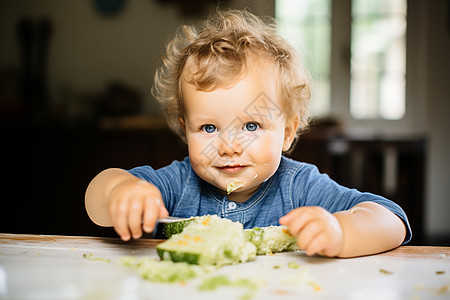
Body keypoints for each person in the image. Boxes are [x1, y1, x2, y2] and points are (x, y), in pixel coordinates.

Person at [85, 9, 411, 258]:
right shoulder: (177, 186)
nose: (228, 146)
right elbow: (97, 195)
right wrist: (121, 193)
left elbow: (392, 220)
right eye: (209, 128)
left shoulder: (299, 187)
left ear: (287, 132)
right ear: (186, 131)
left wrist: (340, 232)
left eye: (251, 126)